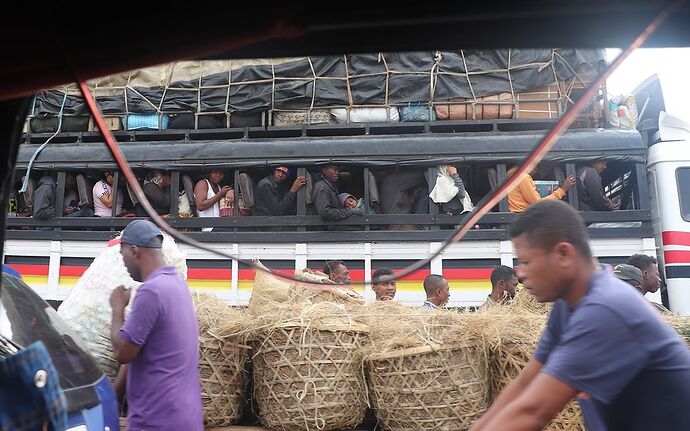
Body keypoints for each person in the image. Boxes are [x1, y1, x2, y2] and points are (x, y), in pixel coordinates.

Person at [471, 200, 690, 431]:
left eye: (527, 262)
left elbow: (533, 411)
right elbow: (526, 382)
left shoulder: (605, 310)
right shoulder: (568, 305)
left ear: (564, 254)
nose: (522, 274)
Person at [109, 220, 203, 431]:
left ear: (134, 251)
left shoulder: (151, 291)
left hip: (157, 420)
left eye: (122, 253)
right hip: (185, 417)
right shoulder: (177, 284)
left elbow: (124, 352)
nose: (122, 261)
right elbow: (137, 349)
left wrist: (117, 309)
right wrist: (111, 393)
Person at [507, 165, 575, 212]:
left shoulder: (512, 175)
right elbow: (538, 204)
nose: (536, 170)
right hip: (524, 217)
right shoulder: (523, 177)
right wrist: (563, 189)